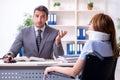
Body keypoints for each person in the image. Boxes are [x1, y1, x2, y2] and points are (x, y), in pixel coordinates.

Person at [44, 13, 120, 78]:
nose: (89, 26)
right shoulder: (113, 46)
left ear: (97, 26)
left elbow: (73, 72)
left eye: (90, 24)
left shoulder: (91, 44)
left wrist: (53, 68)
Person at [3, 5, 67, 62]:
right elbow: (13, 51)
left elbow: (59, 56)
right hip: (28, 69)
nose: (39, 20)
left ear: (47, 18)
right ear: (33, 17)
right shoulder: (23, 32)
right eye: (37, 16)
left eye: (42, 17)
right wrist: (8, 56)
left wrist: (57, 41)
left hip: (47, 69)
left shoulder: (54, 32)